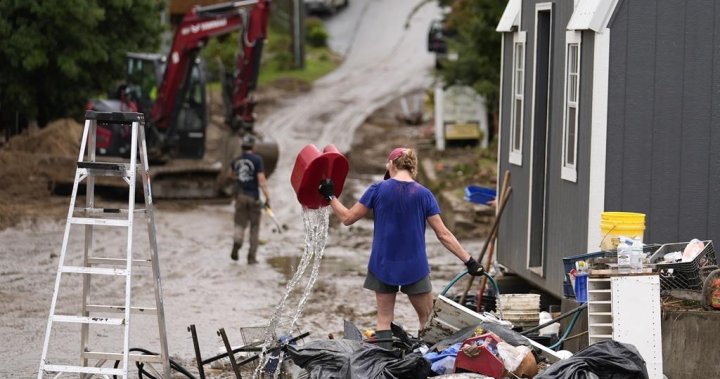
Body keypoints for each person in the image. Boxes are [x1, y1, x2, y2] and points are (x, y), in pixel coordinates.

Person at [318, 147, 484, 347]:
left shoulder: (377, 189)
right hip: (415, 266)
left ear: (391, 165)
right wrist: (469, 261)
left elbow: (347, 218)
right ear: (412, 168)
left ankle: (383, 366)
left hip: (382, 264)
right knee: (427, 318)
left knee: (384, 318)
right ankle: (425, 363)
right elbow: (443, 234)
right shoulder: (424, 195)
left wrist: (330, 197)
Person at [229, 135, 270, 264]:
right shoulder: (257, 160)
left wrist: (240, 180)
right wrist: (268, 197)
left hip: (240, 197)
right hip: (253, 198)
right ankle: (251, 258)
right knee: (254, 227)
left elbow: (231, 175)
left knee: (239, 224)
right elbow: (262, 181)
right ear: (253, 146)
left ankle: (237, 243)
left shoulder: (236, 160)